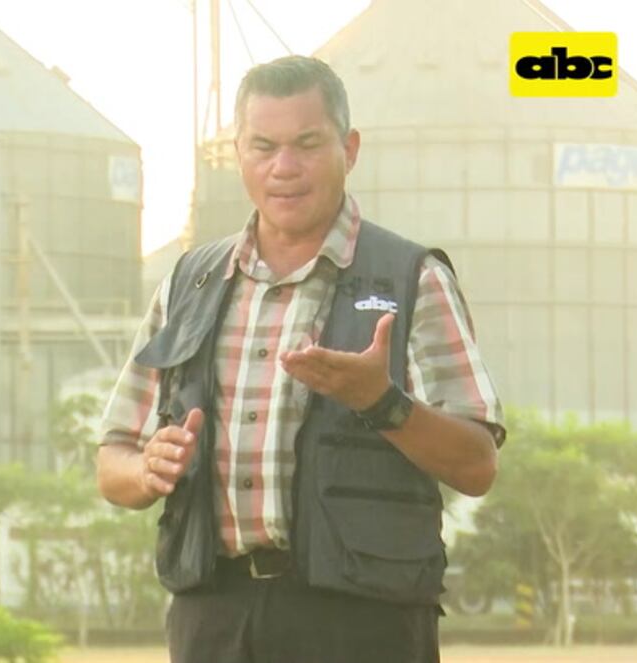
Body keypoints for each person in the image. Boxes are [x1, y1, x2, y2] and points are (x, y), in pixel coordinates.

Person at [95, 55, 505, 663]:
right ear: (239, 153)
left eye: (307, 145)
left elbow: (477, 466)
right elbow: (113, 463)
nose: (283, 168)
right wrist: (147, 469)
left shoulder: (411, 278)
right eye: (263, 147)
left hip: (363, 620)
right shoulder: (189, 283)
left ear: (349, 149)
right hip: (214, 615)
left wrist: (381, 402)